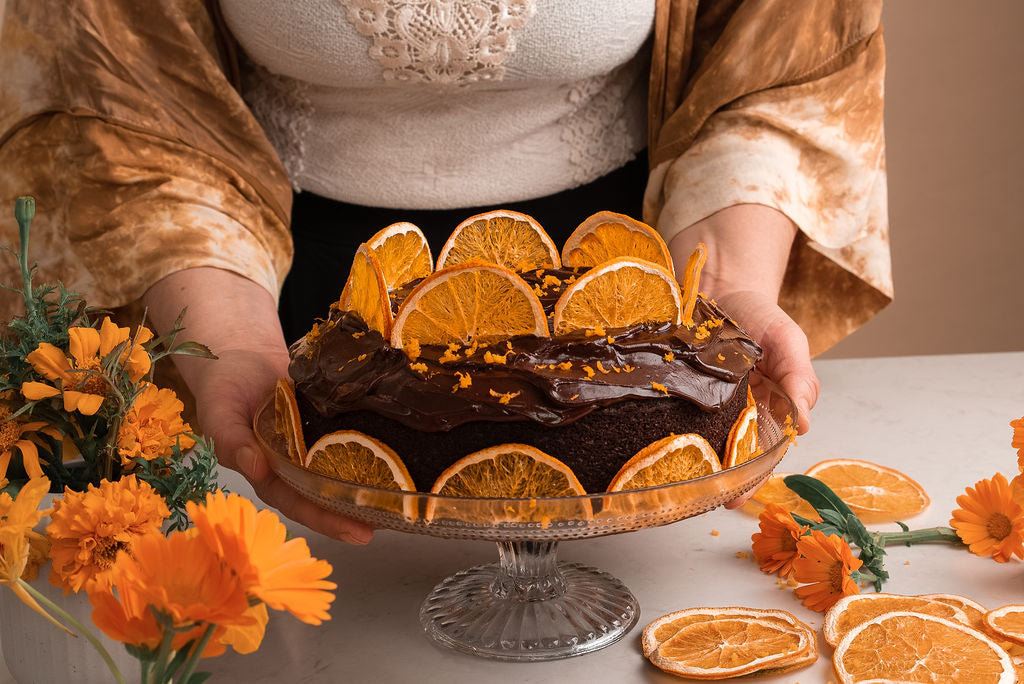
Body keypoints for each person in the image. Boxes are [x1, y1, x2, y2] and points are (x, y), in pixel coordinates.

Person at [0, 0, 892, 545]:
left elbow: (784, 61)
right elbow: (112, 102)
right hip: (293, 321)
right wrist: (226, 337)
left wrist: (729, 288)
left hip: (635, 316)